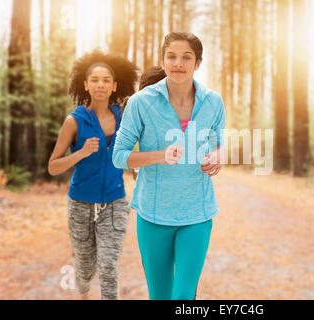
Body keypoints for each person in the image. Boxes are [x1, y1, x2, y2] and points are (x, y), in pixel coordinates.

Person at [113, 31, 226, 300]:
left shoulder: (213, 102)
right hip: (153, 214)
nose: (178, 63)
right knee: (160, 295)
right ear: (163, 61)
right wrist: (158, 155)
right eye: (171, 56)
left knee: (184, 295)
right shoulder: (141, 103)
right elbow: (119, 155)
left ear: (197, 63)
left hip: (197, 213)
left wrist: (218, 154)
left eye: (186, 57)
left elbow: (219, 141)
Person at [48, 49, 138, 300]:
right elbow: (53, 166)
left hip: (115, 202)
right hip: (80, 204)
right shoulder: (74, 121)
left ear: (114, 85)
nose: (101, 84)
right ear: (86, 85)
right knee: (86, 268)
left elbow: (131, 152)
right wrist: (80, 153)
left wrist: (135, 168)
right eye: (95, 80)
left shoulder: (124, 117)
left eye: (106, 80)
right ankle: (83, 294)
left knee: (108, 266)